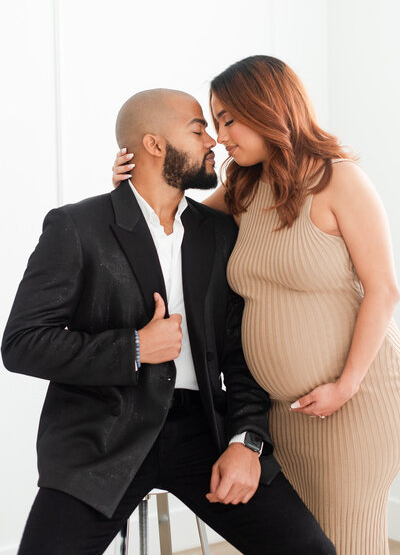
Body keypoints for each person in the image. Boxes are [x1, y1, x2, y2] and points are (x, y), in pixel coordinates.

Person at [1, 88, 335, 555]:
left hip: (204, 434)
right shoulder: (76, 227)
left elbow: (242, 352)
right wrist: (134, 348)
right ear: (155, 145)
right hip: (102, 438)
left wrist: (247, 441)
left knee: (311, 550)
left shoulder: (218, 233)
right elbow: (21, 343)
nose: (213, 142)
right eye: (199, 129)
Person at [113, 58, 400, 555]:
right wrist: (131, 189)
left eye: (228, 120)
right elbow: (176, 221)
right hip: (281, 413)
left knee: (351, 542)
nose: (220, 136)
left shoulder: (339, 180)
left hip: (350, 402)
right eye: (214, 122)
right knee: (302, 543)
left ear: (269, 108)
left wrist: (345, 385)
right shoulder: (243, 189)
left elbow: (384, 289)